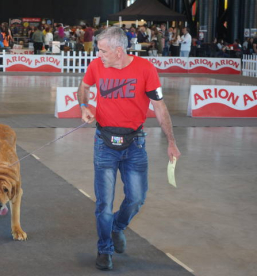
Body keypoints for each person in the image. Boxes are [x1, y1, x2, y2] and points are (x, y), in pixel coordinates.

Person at [77, 26, 180, 271]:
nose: (98, 54)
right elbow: (84, 87)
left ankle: (117, 227)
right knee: (104, 203)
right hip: (104, 144)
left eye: (102, 51)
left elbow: (159, 107)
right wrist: (84, 106)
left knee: (136, 198)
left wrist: (172, 142)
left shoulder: (145, 70)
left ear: (118, 50)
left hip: (135, 144)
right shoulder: (96, 66)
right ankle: (104, 249)